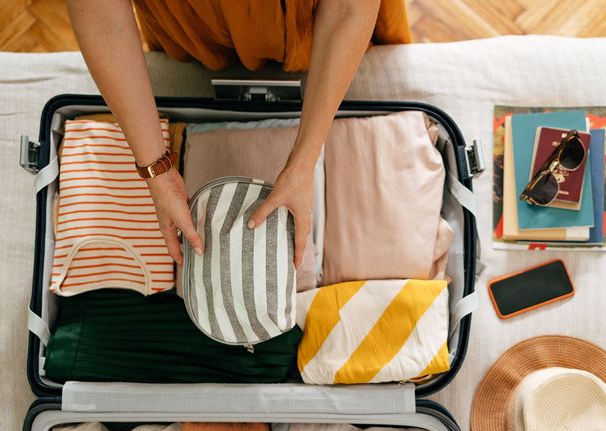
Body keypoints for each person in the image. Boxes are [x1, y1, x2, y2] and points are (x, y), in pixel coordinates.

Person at [66, 0, 410, 267]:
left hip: (321, 24)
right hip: (194, 27)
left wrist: (305, 161)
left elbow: (349, 8)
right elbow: (102, 17)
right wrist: (157, 172)